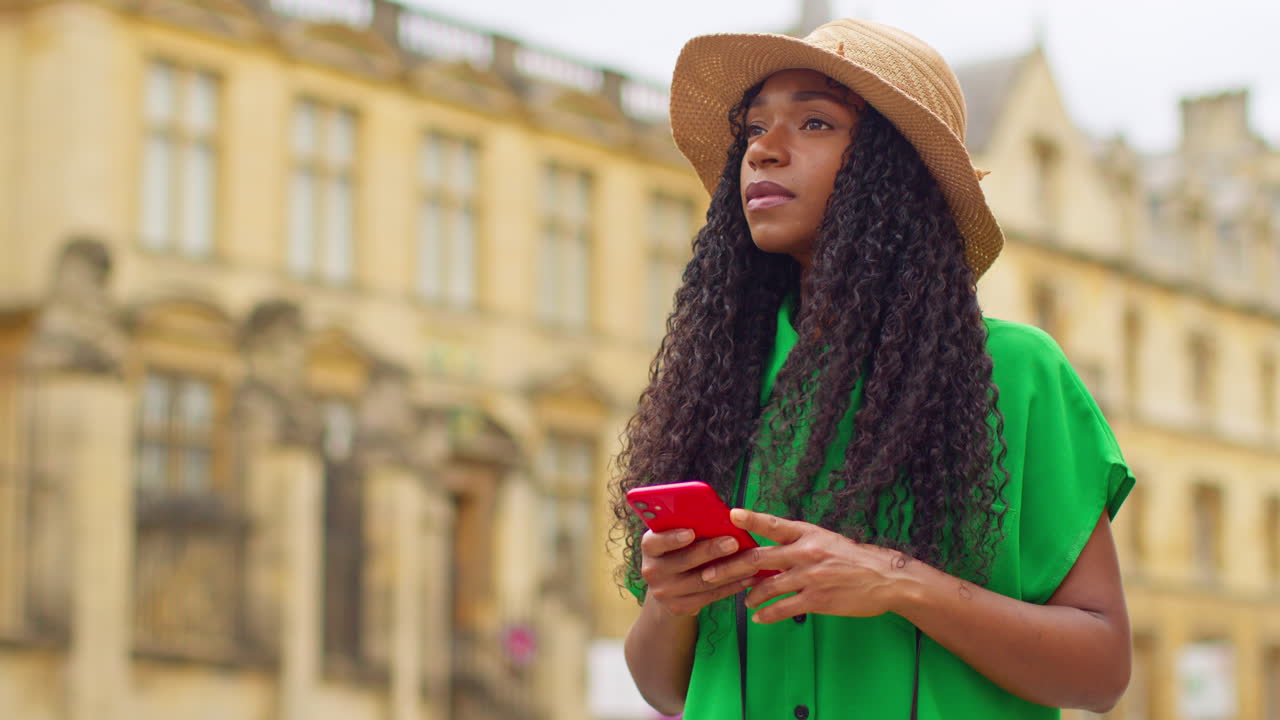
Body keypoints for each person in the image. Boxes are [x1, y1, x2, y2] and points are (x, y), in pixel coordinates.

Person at [608, 18, 1135, 720]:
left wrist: (896, 581)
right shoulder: (717, 384)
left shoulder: (1016, 373)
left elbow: (1101, 674)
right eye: (754, 128)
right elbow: (663, 689)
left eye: (815, 122)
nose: (763, 149)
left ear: (896, 169)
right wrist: (671, 602)